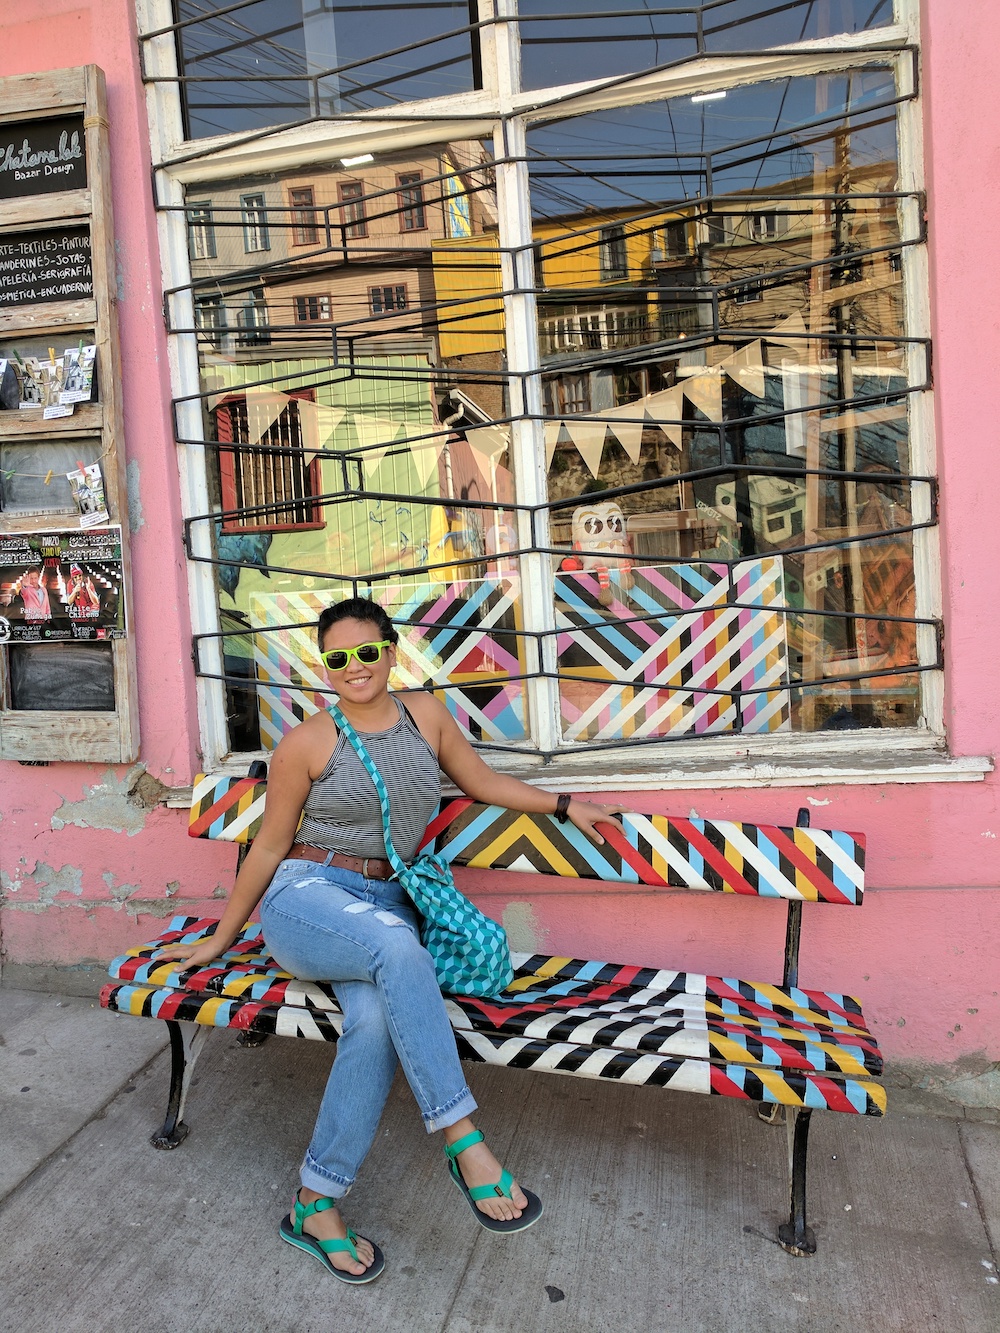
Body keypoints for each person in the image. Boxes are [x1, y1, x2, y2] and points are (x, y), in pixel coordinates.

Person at [157, 597, 628, 1284]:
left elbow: (482, 780)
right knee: (400, 950)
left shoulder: (426, 716)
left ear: (391, 649)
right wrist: (220, 938)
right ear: (327, 665)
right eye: (338, 658)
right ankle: (464, 1139)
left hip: (385, 904)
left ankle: (315, 1203)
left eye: (367, 651)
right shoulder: (308, 742)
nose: (355, 667)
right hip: (308, 899)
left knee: (376, 1020)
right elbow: (268, 848)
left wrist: (564, 804)